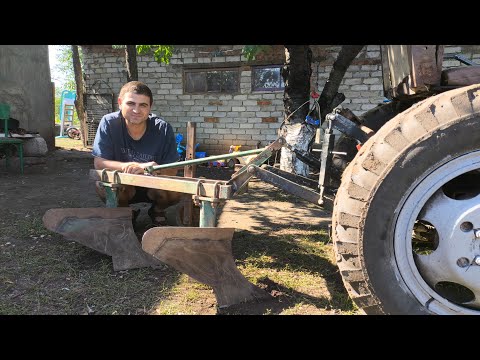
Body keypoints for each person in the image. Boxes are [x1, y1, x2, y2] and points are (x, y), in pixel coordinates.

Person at [92, 81, 181, 226]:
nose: (136, 110)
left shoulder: (163, 128)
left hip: (154, 185)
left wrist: (154, 168)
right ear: (120, 103)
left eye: (143, 105)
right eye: (131, 104)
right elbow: (99, 163)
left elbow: (173, 169)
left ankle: (157, 210)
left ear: (150, 107)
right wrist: (132, 166)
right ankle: (126, 212)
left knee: (175, 192)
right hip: (125, 186)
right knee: (102, 186)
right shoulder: (109, 123)